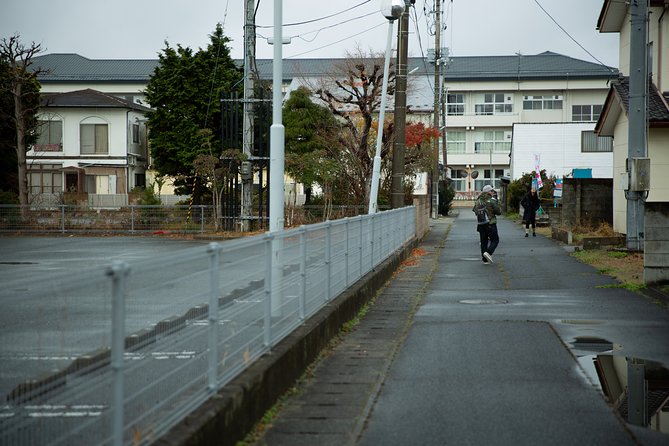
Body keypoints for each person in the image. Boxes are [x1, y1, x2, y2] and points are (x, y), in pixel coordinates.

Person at [473, 184, 501, 264]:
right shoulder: (492, 200)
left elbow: (475, 211)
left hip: (480, 223)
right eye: (492, 191)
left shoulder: (478, 201)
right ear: (488, 192)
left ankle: (485, 259)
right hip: (490, 223)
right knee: (495, 240)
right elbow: (498, 212)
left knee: (483, 241)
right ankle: (488, 253)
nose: (493, 192)